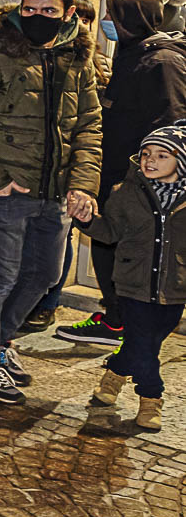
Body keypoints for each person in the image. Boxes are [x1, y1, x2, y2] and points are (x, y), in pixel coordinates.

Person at [0, 0, 103, 406]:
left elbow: (89, 125)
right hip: (4, 190)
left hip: (54, 192)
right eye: (29, 9)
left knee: (44, 275)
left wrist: (83, 183)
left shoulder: (77, 58)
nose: (37, 17)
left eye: (48, 11)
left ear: (68, 13)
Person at [57, 0, 186, 346]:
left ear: (133, 20)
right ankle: (118, 317)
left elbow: (170, 125)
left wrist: (141, 178)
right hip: (117, 170)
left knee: (114, 246)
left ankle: (121, 322)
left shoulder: (161, 61)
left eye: (113, 16)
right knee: (108, 245)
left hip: (133, 178)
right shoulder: (136, 53)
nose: (107, 24)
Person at [77, 125, 186, 432]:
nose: (150, 160)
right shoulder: (126, 193)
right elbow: (109, 231)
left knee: (147, 341)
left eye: (161, 155)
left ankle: (114, 372)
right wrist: (87, 221)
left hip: (174, 288)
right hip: (131, 283)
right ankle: (151, 398)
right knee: (142, 340)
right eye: (146, 153)